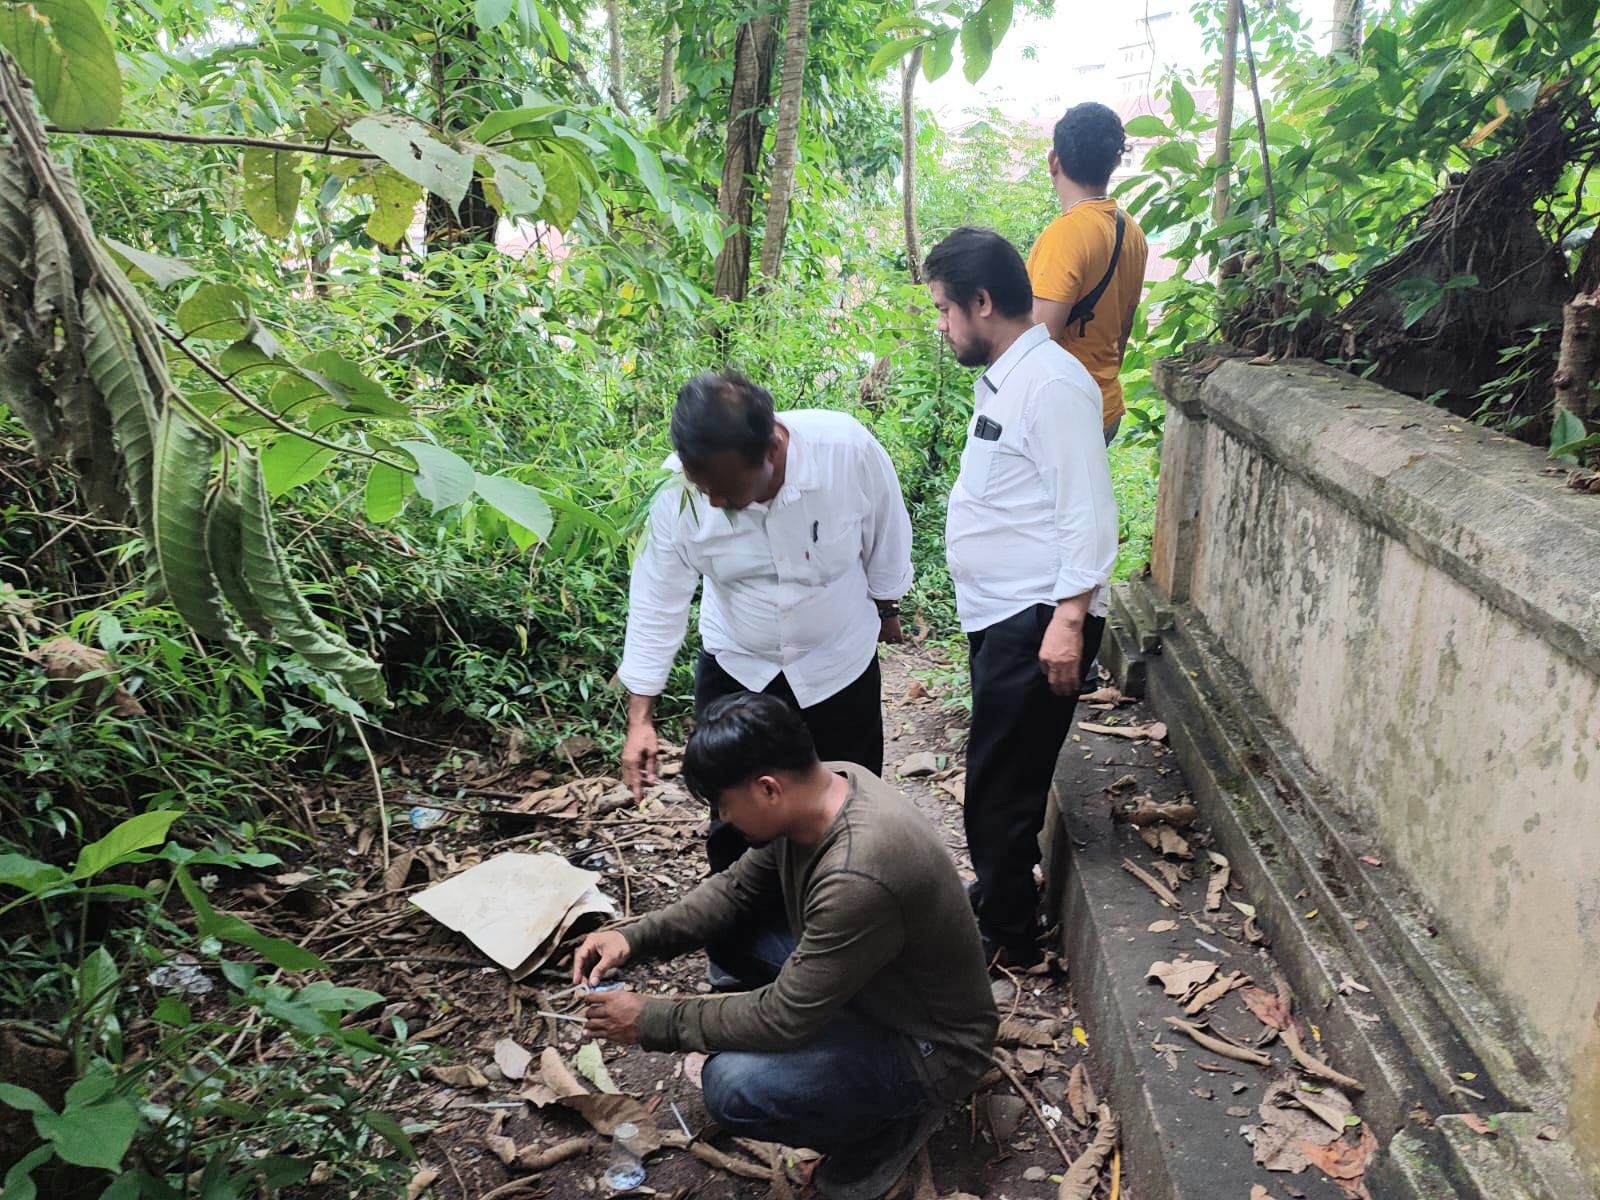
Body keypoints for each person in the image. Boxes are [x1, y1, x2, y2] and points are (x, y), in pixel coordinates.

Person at [574, 693, 999, 1200]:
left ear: (768, 789)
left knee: (733, 1088)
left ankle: (891, 1124)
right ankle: (839, 1066)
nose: (724, 819)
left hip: (933, 1044)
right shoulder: (830, 782)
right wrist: (632, 937)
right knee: (732, 934)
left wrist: (652, 1020)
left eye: (725, 805)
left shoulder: (858, 873)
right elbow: (734, 892)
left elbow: (782, 1017)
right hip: (882, 984)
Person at [617, 371, 913, 879]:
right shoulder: (675, 492)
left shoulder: (846, 452)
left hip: (837, 667)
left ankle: (846, 924)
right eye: (703, 487)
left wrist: (887, 609)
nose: (713, 502)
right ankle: (741, 949)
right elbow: (657, 597)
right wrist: (640, 717)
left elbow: (887, 537)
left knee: (847, 812)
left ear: (773, 446)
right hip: (738, 667)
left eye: (729, 490)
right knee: (735, 817)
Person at [924, 226, 1119, 969]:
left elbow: (1089, 511)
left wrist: (1069, 618)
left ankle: (1011, 933)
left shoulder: (1054, 384)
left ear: (981, 302)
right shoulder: (1012, 375)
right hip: (1007, 613)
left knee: (998, 785)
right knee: (1004, 774)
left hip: (1037, 616)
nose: (942, 326)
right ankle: (1002, 896)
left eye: (945, 310)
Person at [1026, 102, 1149, 445]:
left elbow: (1037, 340)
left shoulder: (1066, 234)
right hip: (1104, 405)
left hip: (1063, 414)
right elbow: (1123, 328)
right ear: (1113, 161)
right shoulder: (1131, 232)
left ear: (1054, 161)